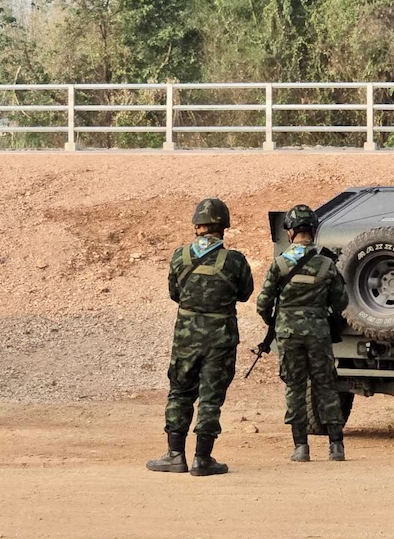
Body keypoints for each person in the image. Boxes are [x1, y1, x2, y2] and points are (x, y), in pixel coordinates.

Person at [147, 198, 254, 476]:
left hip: (186, 337)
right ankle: (202, 459)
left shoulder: (179, 256)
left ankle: (174, 455)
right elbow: (244, 294)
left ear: (196, 226)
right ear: (223, 227)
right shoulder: (235, 261)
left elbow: (175, 294)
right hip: (220, 338)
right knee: (210, 397)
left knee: (180, 392)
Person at [255, 204, 349, 462]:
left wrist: (276, 321)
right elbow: (341, 302)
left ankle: (301, 447)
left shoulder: (280, 265)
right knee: (326, 385)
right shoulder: (326, 264)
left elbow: (263, 304)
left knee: (295, 386)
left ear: (290, 232)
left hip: (288, 333)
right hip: (318, 331)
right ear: (314, 231)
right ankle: (336, 446)